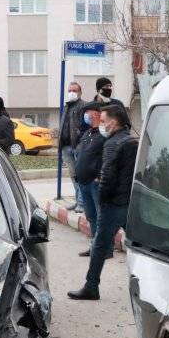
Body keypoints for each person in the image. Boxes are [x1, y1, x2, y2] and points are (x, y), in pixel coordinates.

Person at [67, 103, 137, 301]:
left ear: (113, 122)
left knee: (99, 246)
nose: (101, 125)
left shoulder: (112, 143)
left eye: (104, 121)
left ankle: (91, 286)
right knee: (137, 244)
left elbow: (107, 175)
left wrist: (104, 200)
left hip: (113, 202)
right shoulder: (131, 140)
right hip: (128, 201)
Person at [72, 101, 107, 259]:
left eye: (89, 112)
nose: (86, 115)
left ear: (98, 114)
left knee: (101, 217)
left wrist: (99, 175)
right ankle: (94, 246)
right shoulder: (87, 134)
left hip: (95, 183)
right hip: (84, 182)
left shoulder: (104, 135)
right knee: (91, 216)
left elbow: (107, 157)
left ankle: (105, 249)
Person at [58, 82, 87, 209]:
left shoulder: (84, 106)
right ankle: (78, 200)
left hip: (78, 146)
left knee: (80, 175)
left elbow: (85, 126)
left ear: (80, 92)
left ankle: (82, 203)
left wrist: (81, 142)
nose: (71, 93)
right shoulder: (67, 106)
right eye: (69, 90)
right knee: (73, 175)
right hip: (65, 146)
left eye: (74, 90)